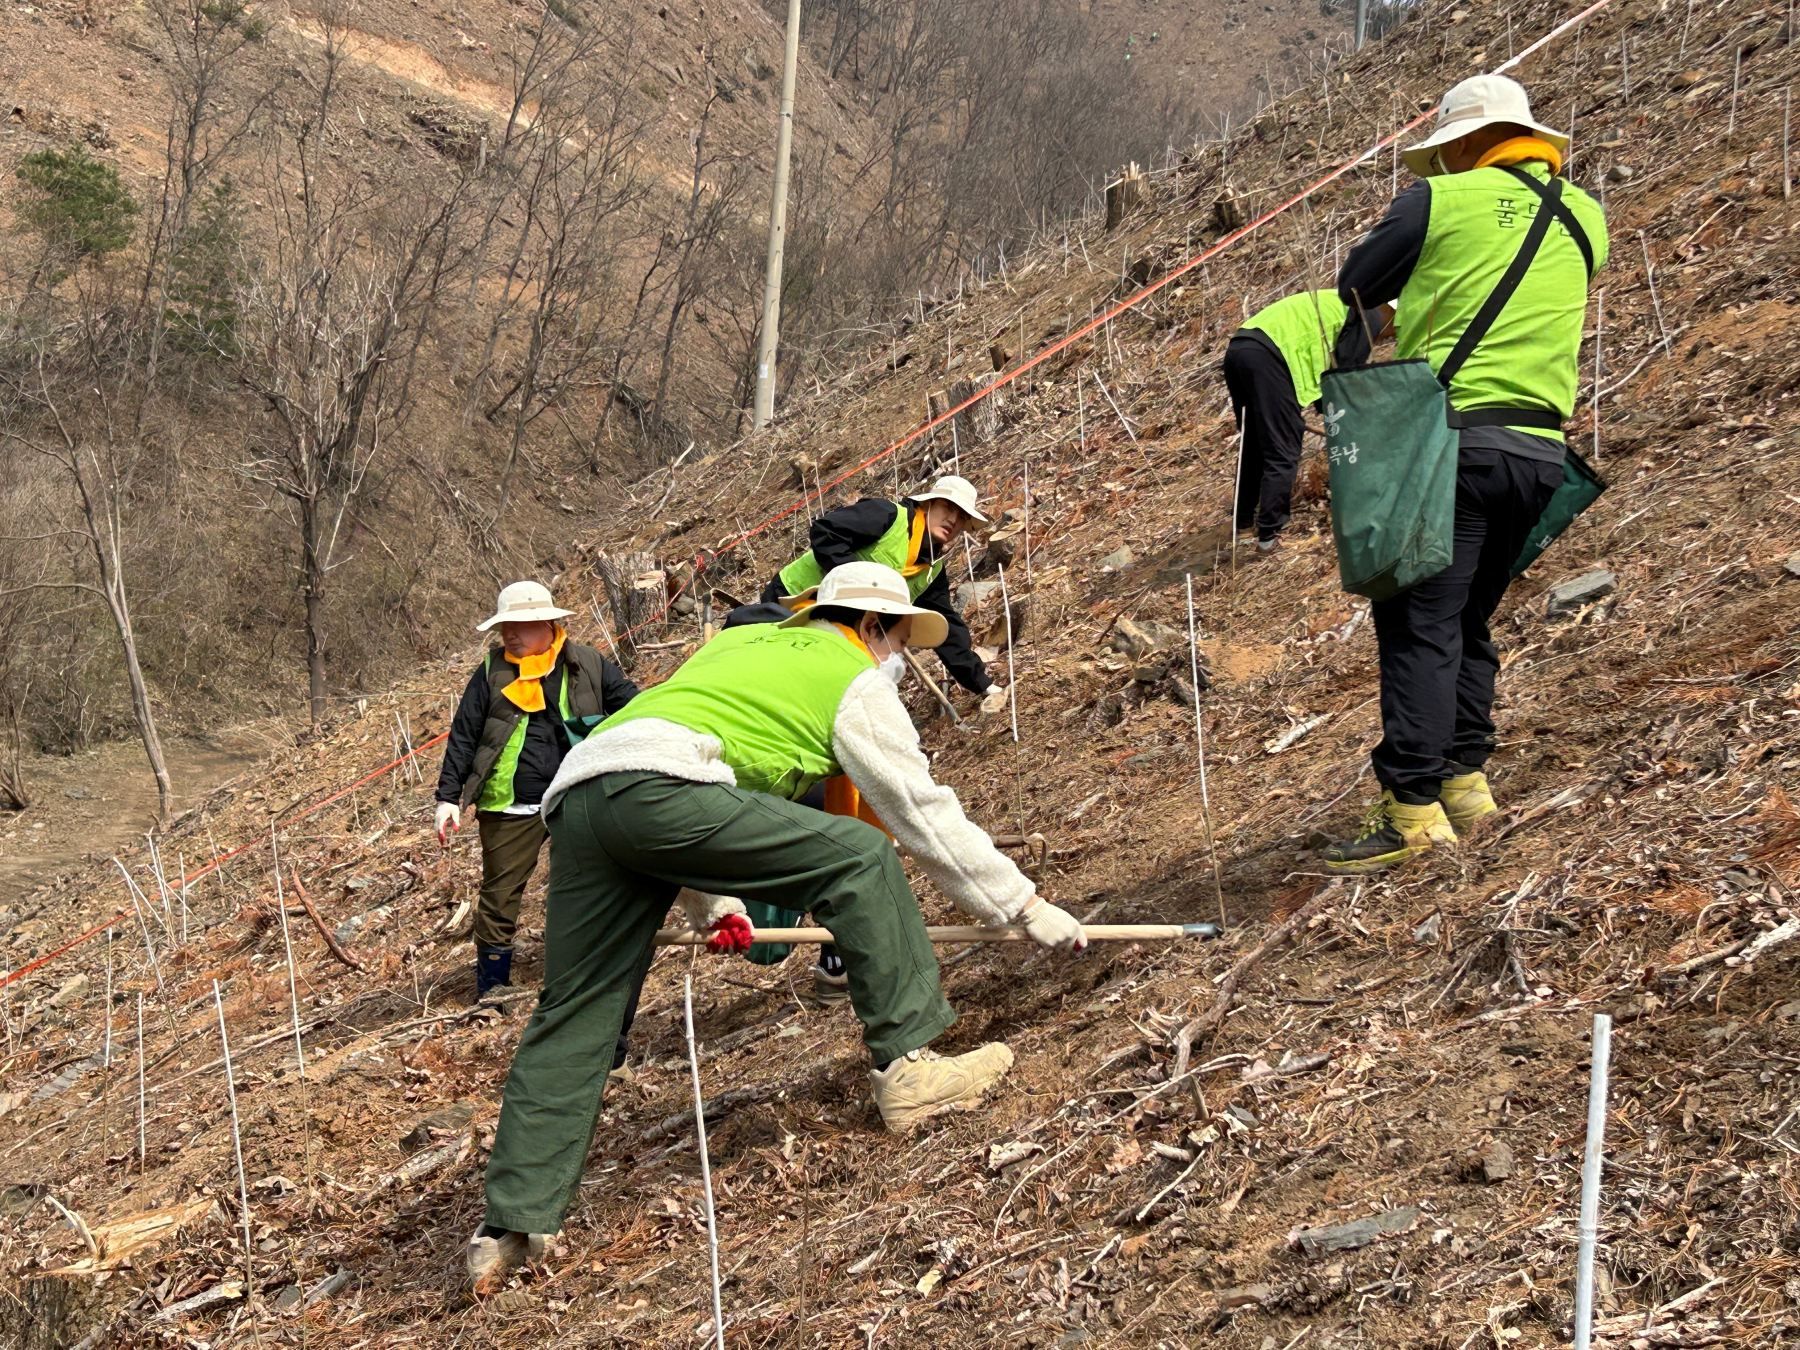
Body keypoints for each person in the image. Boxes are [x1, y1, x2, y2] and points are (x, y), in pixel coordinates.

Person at [465, 562, 1087, 1295]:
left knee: (575, 1008)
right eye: (897, 641)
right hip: (655, 791)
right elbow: (920, 812)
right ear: (870, 626)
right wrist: (1022, 905)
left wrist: (716, 907)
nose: (898, 657)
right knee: (860, 856)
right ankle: (910, 1068)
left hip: (580, 798)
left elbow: (680, 761)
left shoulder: (740, 647)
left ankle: (512, 1224)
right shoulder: (852, 675)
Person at [1322, 74, 1607, 872]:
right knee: (1466, 616)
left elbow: (1356, 283)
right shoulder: (1586, 216)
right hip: (1539, 454)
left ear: (1466, 144)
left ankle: (1412, 810)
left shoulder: (1437, 201)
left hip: (1453, 444)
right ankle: (1465, 783)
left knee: (1418, 621)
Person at [433, 580, 639, 1010]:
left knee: (591, 880)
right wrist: (448, 797)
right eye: (505, 626)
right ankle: (493, 988)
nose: (510, 634)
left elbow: (633, 708)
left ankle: (591, 966)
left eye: (521, 625)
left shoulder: (588, 663)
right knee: (501, 892)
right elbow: (465, 734)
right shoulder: (492, 672)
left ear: (548, 624)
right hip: (509, 801)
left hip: (579, 792)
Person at [759, 475, 1005, 713]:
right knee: (768, 668)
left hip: (832, 628)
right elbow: (827, 533)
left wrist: (982, 683)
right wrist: (858, 581)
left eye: (961, 517)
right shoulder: (887, 516)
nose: (952, 520)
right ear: (928, 503)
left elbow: (947, 628)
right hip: (791, 598)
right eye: (948, 508)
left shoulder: (932, 571)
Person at [1223, 290, 1388, 551]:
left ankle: (1243, 527)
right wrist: (1339, 416)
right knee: (1283, 449)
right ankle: (1270, 535)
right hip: (1270, 356)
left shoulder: (1342, 299)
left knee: (1254, 445)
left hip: (1240, 347)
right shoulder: (1370, 314)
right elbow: (1342, 372)